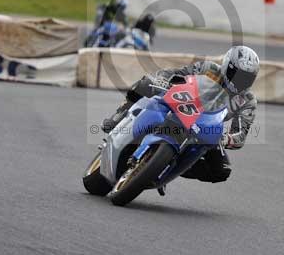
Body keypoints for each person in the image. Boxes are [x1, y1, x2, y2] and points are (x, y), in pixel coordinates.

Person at [101, 45, 260, 183]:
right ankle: (117, 118)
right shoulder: (208, 69)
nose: (241, 81)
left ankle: (169, 167)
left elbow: (240, 135)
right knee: (145, 83)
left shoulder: (248, 101)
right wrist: (162, 81)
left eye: (247, 78)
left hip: (205, 127)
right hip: (182, 106)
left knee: (221, 171)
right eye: (237, 74)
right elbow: (176, 74)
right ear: (227, 65)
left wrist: (225, 138)